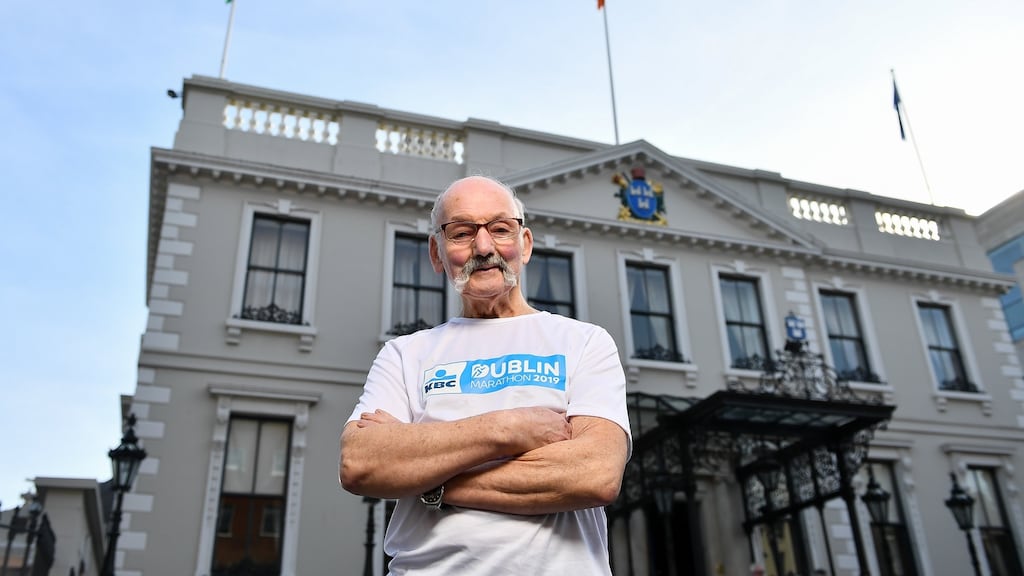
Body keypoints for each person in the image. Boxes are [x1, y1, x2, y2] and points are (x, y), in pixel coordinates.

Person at [340, 175, 632, 575]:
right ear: (437, 253)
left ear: (525, 243)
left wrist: (426, 481)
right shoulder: (404, 354)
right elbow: (360, 462)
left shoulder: (583, 342)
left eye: (499, 229)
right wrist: (507, 428)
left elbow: (593, 475)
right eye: (461, 232)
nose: (483, 247)